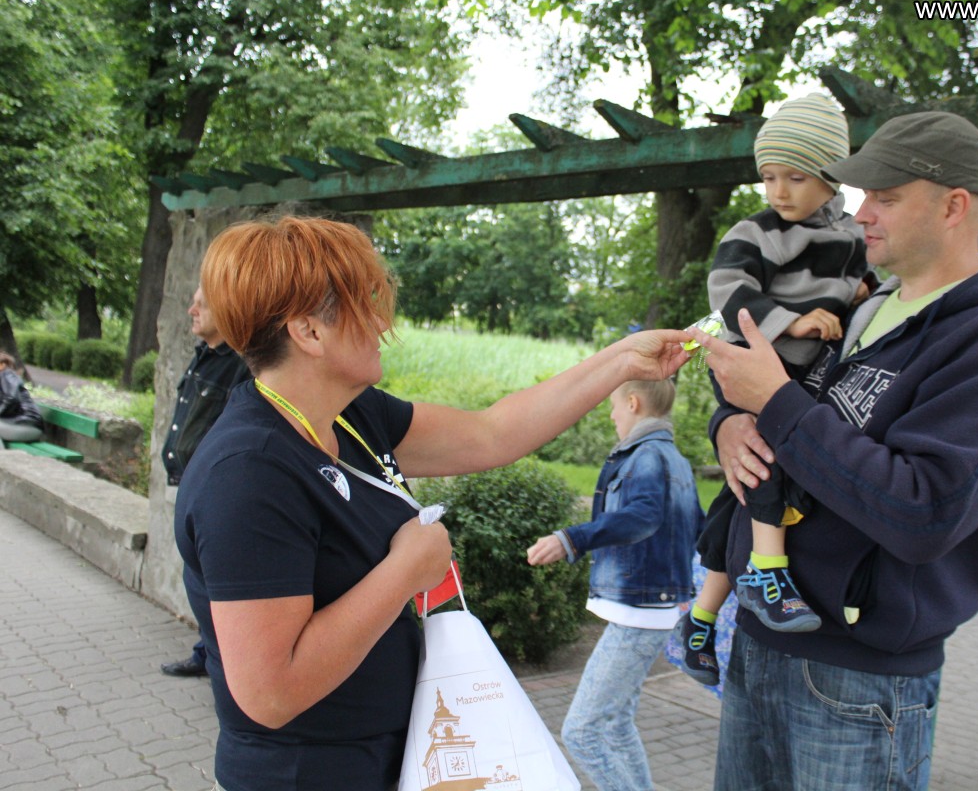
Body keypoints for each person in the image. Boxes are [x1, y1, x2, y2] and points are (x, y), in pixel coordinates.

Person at [174, 216, 692, 791]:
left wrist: (623, 361)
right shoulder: (248, 473)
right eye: (364, 306)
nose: (382, 323)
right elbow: (270, 694)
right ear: (308, 332)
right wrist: (406, 570)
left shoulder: (350, 416)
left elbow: (492, 434)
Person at [686, 110, 978, 789]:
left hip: (857, 679)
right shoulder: (864, 307)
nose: (861, 214)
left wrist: (775, 404)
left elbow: (925, 513)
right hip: (759, 640)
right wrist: (731, 422)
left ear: (954, 206)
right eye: (863, 195)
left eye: (885, 198)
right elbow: (789, 406)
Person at [677, 93, 871, 685]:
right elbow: (727, 290)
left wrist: (864, 291)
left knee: (742, 489)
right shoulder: (756, 232)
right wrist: (793, 321)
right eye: (768, 177)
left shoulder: (852, 234)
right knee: (766, 461)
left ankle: (699, 620)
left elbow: (859, 280)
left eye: (795, 177)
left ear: (832, 176)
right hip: (749, 359)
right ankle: (766, 569)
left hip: (800, 376)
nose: (778, 191)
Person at [526, 378, 703, 791]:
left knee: (581, 732)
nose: (611, 415)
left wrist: (571, 539)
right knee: (617, 724)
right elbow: (698, 526)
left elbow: (644, 516)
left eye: (613, 406)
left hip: (639, 612)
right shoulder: (674, 459)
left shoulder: (646, 456)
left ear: (633, 402)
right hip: (651, 608)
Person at [161, 287, 252, 678]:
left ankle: (221, 664)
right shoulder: (204, 355)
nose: (191, 310)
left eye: (202, 304)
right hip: (190, 485)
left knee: (213, 583)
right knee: (198, 579)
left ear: (227, 309)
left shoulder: (239, 364)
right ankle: (207, 653)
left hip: (214, 492)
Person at [0, 351, 43, 447]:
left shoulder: (7, 375)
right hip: (19, 424)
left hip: (27, 425)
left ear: (2, 364)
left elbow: (11, 399)